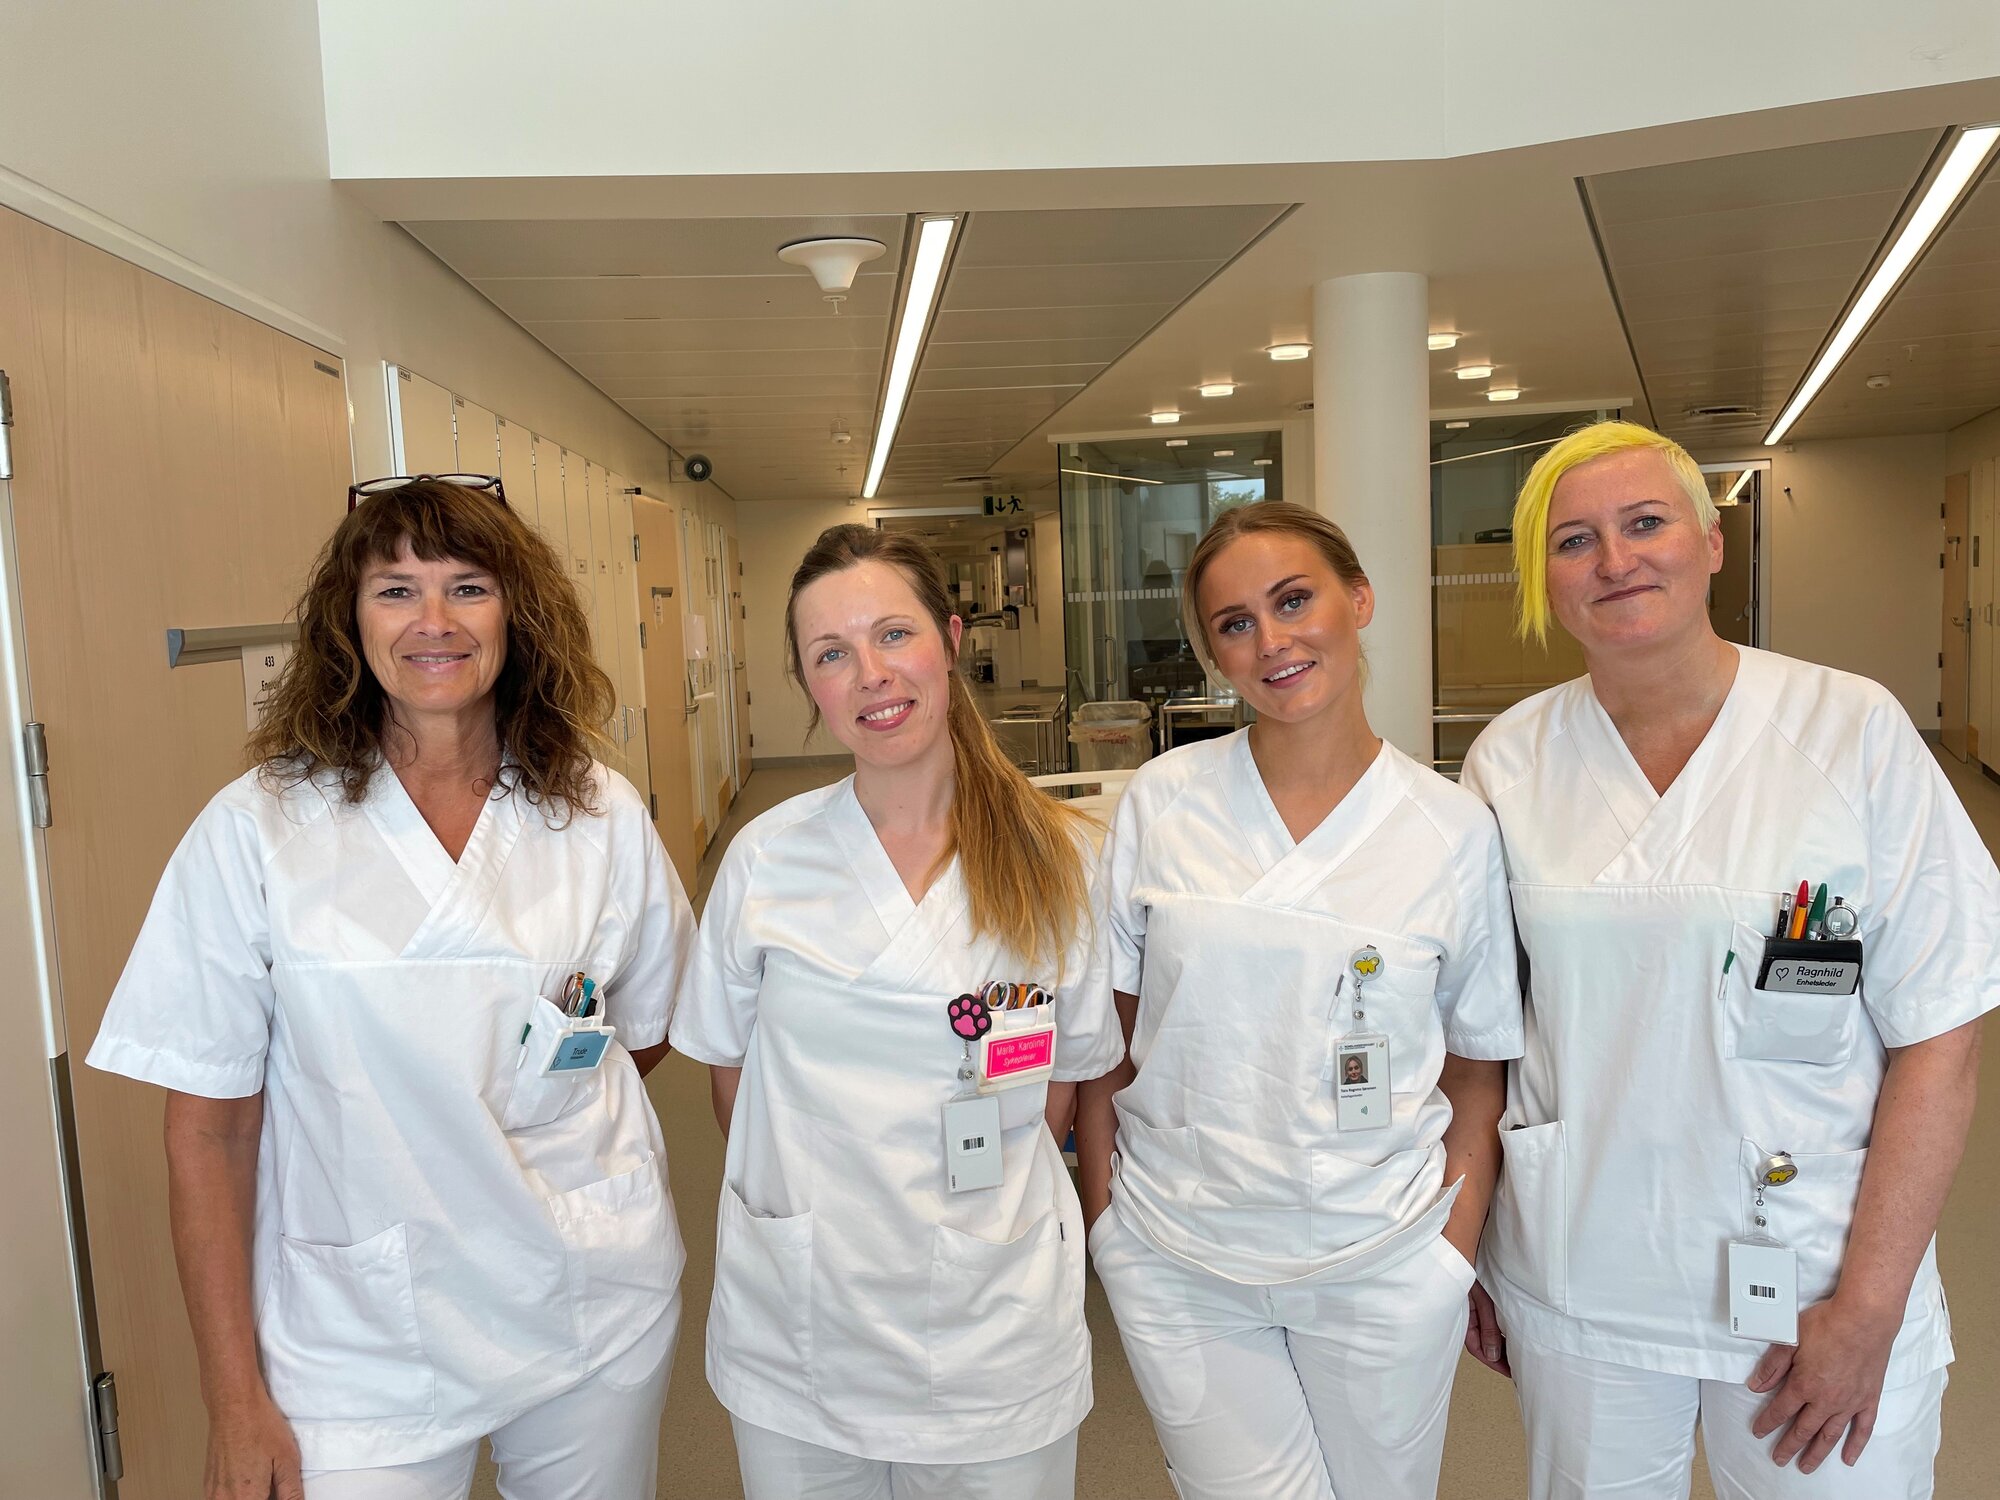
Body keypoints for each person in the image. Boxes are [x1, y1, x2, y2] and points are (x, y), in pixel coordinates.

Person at [88, 477, 694, 1500]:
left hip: (586, 1293)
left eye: (469, 587)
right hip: (356, 1328)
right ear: (349, 618)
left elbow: (641, 1030)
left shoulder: (599, 811)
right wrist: (234, 1400)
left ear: (518, 614)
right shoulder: (257, 829)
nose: (434, 622)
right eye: (396, 590)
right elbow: (208, 1132)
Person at [1460, 421, 1996, 1499]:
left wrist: (1869, 1308)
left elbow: (1941, 1036)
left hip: (1814, 1273)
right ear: (1543, 579)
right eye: (1573, 540)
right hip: (1583, 1271)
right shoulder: (1508, 762)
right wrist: (1467, 1247)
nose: (1614, 560)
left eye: (1644, 523)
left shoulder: (1849, 730)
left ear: (1710, 542)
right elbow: (1478, 1044)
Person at [1074, 500, 1521, 1500]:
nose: (1270, 641)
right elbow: (1109, 1040)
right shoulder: (1163, 802)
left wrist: (1447, 1258)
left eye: (1292, 601)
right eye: (1234, 623)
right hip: (1178, 1256)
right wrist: (1109, 1229)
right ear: (1213, 653)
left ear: (1358, 600)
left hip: (1382, 1262)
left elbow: (1475, 1063)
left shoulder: (1449, 831)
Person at [670, 525, 1122, 1500]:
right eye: (831, 653)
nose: (870, 674)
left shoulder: (1061, 860)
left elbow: (1063, 1088)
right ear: (808, 683)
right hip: (802, 1320)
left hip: (993, 1327)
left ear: (949, 640)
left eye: (893, 634)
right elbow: (731, 1082)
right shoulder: (766, 859)